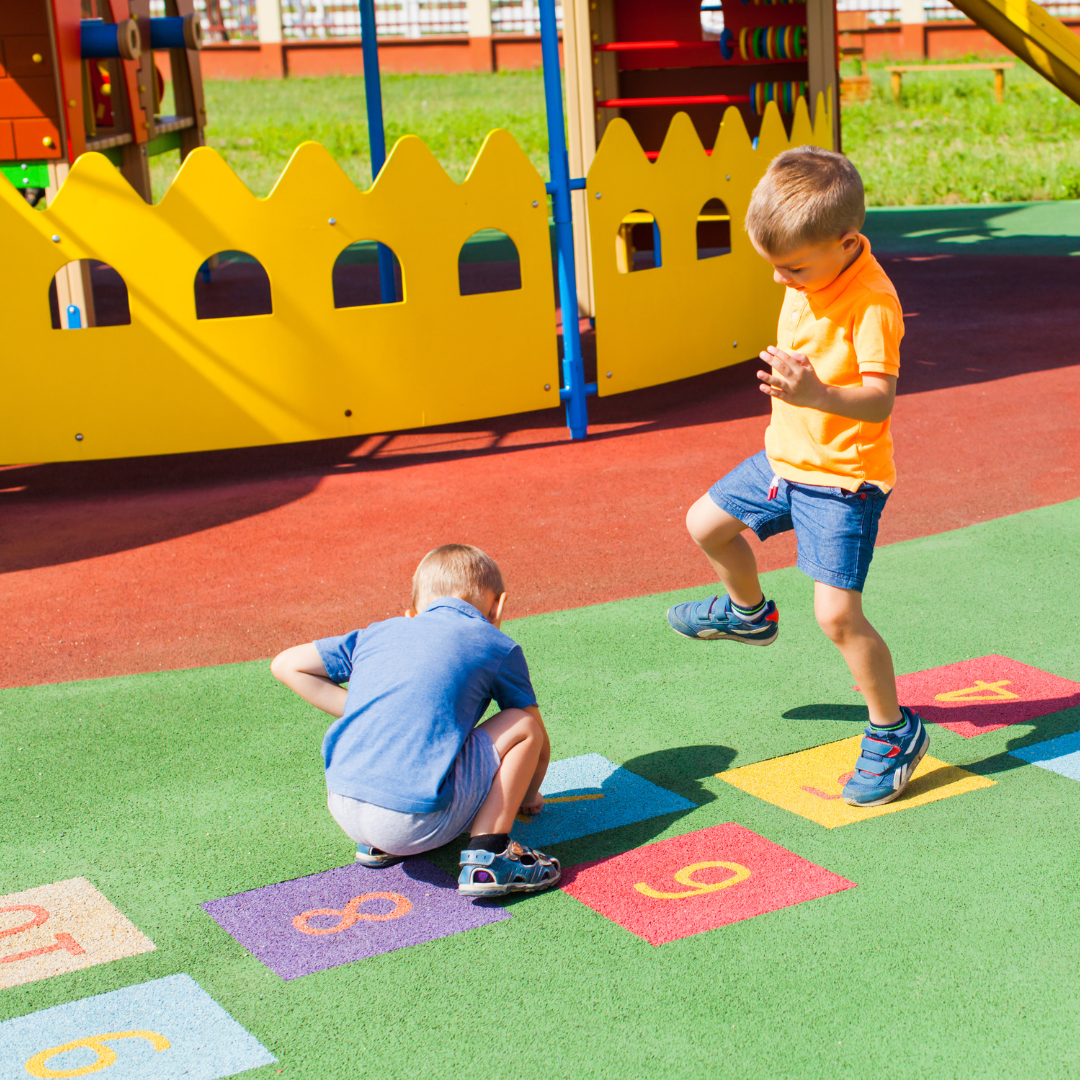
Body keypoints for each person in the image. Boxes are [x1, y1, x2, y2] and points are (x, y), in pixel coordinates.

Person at [667, 145, 928, 807]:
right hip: (786, 459)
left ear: (846, 244)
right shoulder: (810, 272)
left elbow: (879, 400)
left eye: (792, 267)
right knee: (706, 523)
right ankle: (750, 614)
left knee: (837, 616)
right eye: (774, 267)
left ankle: (892, 731)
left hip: (843, 478)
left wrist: (816, 395)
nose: (782, 280)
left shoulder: (871, 301)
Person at [271, 543, 560, 896]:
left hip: (344, 805)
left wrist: (371, 707)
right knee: (522, 725)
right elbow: (537, 740)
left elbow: (285, 665)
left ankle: (379, 845)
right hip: (413, 821)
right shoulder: (496, 644)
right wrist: (529, 796)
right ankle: (490, 855)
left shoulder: (376, 632)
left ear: (412, 612)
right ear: (498, 606)